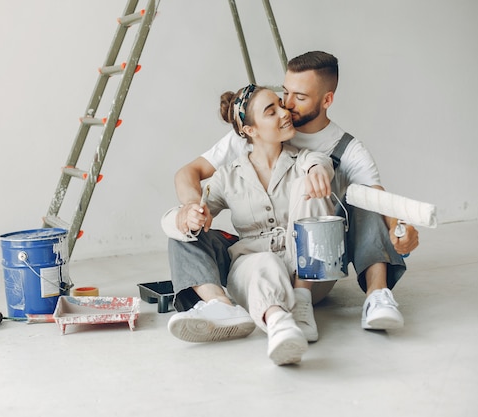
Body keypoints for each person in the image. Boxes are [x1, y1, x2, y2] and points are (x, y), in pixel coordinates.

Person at [167, 51, 420, 344]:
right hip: (262, 257)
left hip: (317, 262)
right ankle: (219, 304)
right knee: (184, 230)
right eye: (284, 93)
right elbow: (189, 172)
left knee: (360, 198)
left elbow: (377, 196)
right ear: (250, 130)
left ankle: (377, 295)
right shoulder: (251, 133)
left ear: (326, 101)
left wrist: (399, 227)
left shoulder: (346, 149)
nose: (286, 106)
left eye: (299, 97)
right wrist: (190, 209)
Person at [161, 84, 335, 365]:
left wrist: (317, 171)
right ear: (250, 131)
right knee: (256, 262)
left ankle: (300, 301)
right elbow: (193, 211)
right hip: (255, 269)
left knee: (308, 185)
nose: (284, 112)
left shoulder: (303, 159)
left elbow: (319, 162)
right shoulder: (227, 176)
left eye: (281, 104)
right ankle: (279, 325)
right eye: (272, 111)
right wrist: (188, 214)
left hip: (310, 275)